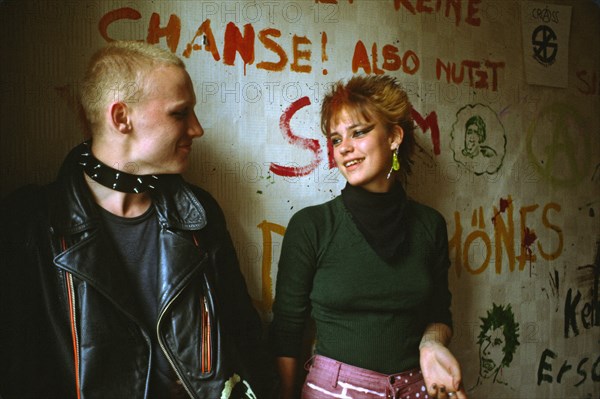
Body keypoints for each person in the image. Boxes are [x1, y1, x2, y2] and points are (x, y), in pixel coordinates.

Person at [0, 41, 270, 398]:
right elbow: (18, 367)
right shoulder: (32, 221)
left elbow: (242, 334)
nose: (197, 129)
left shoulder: (197, 213)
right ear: (121, 118)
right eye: (180, 113)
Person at [270, 75, 467, 399]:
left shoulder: (430, 225)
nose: (344, 148)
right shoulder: (312, 226)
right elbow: (287, 333)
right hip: (334, 391)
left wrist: (431, 343)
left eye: (359, 132)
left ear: (394, 137)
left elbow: (438, 314)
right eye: (336, 139)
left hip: (417, 389)